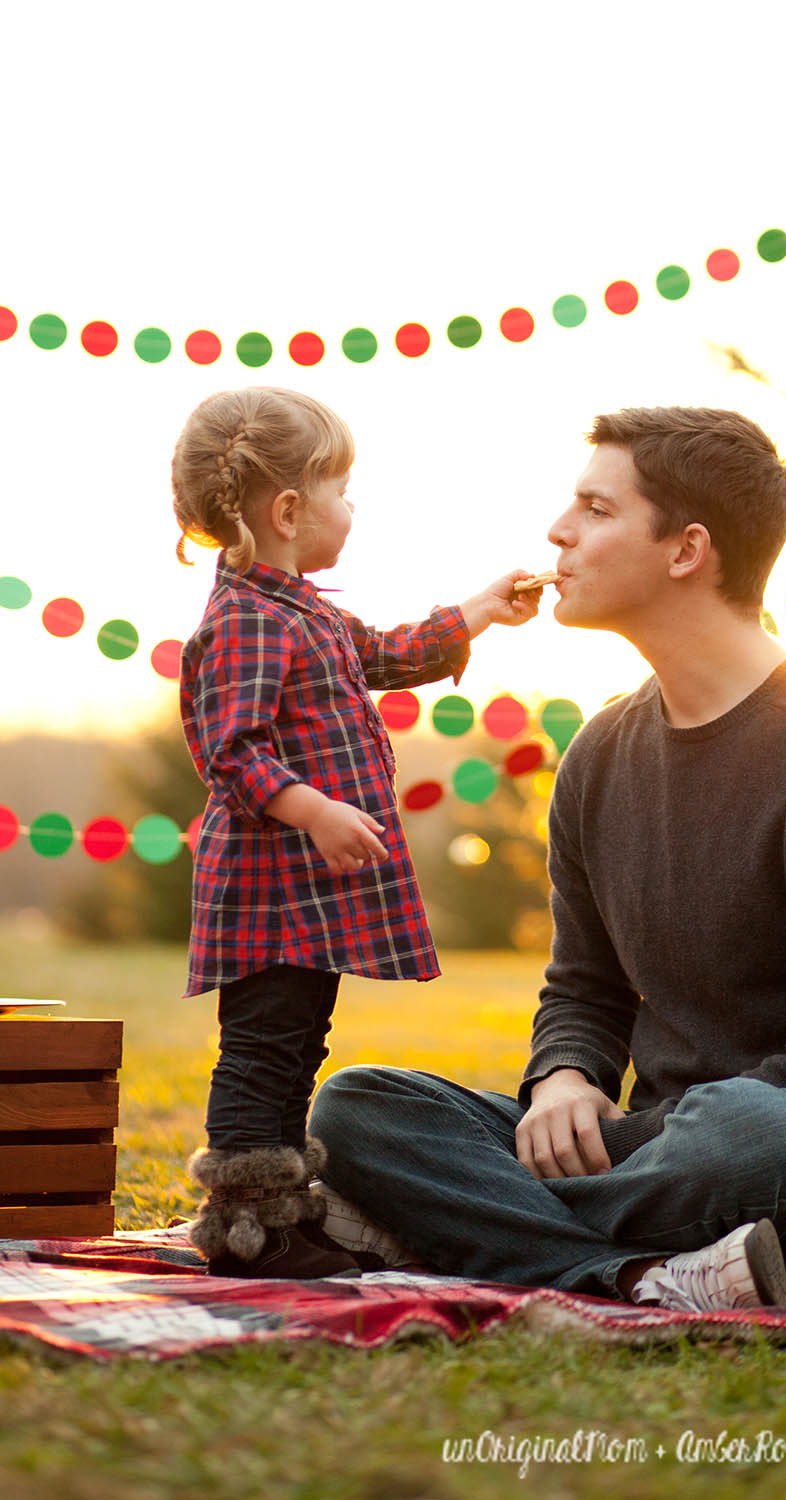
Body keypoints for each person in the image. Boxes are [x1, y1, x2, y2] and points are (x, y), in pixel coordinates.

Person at [308, 404, 786, 1311]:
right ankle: (635, 1274)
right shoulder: (601, 752)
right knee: (359, 1109)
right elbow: (584, 988)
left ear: (686, 550)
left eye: (595, 508)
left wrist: (627, 1140)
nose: (558, 532)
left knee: (738, 1129)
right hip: (664, 1153)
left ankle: (471, 1225)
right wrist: (564, 1082)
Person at [172, 386, 543, 1279]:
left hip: (307, 896)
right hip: (268, 892)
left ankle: (282, 1208)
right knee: (263, 1047)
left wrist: (477, 611)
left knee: (300, 1041)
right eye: (342, 488)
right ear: (290, 510)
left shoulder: (305, 609)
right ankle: (249, 1224)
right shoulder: (246, 622)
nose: (353, 505)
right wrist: (315, 809)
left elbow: (387, 652)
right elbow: (231, 749)